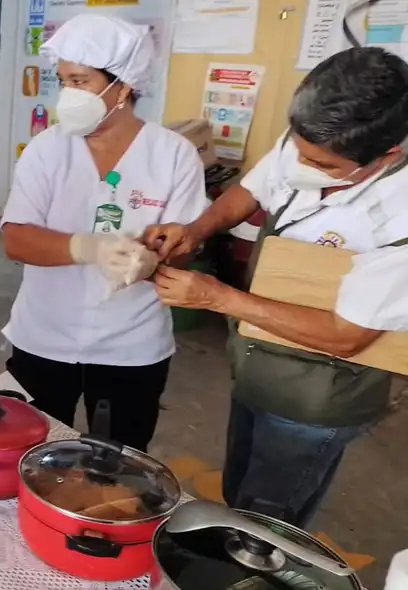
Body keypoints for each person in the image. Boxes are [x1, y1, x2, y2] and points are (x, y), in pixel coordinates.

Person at [143, 47, 408, 527]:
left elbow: (347, 336)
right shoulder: (312, 137)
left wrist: (217, 297)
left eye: (322, 165)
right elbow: (251, 190)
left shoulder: (397, 220)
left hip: (317, 395)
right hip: (258, 361)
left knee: (267, 521)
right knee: (239, 490)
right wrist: (196, 230)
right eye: (298, 149)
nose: (302, 164)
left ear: (387, 155)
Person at [0, 14, 209, 451]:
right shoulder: (47, 149)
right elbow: (15, 239)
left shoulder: (173, 155)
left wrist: (154, 256)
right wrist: (89, 247)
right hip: (43, 336)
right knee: (30, 453)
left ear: (124, 85)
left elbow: (184, 247)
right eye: (63, 81)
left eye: (81, 81)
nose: (68, 95)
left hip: (131, 346)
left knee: (117, 464)